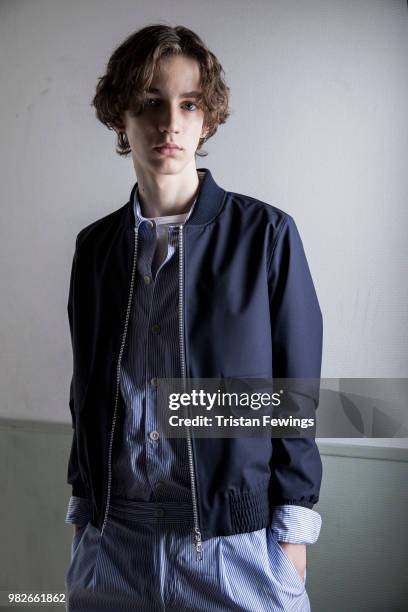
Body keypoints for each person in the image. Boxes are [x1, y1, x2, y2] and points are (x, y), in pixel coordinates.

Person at [64, 24, 323, 612]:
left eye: (188, 104)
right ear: (120, 115)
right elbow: (87, 392)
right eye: (151, 102)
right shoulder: (95, 248)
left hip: (231, 544)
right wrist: (84, 515)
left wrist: (291, 531)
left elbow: (294, 397)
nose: (170, 122)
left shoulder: (266, 236)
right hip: (112, 541)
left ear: (207, 120)